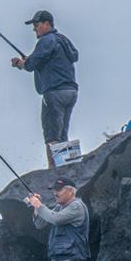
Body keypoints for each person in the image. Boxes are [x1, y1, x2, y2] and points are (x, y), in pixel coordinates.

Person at [10, 10, 80, 168]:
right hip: (71, 91)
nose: (34, 29)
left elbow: (31, 64)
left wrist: (21, 63)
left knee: (51, 135)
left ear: (47, 24)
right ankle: (68, 168)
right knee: (62, 133)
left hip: (54, 92)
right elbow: (70, 56)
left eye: (37, 25)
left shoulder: (46, 40)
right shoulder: (63, 40)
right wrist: (30, 61)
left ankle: (53, 172)